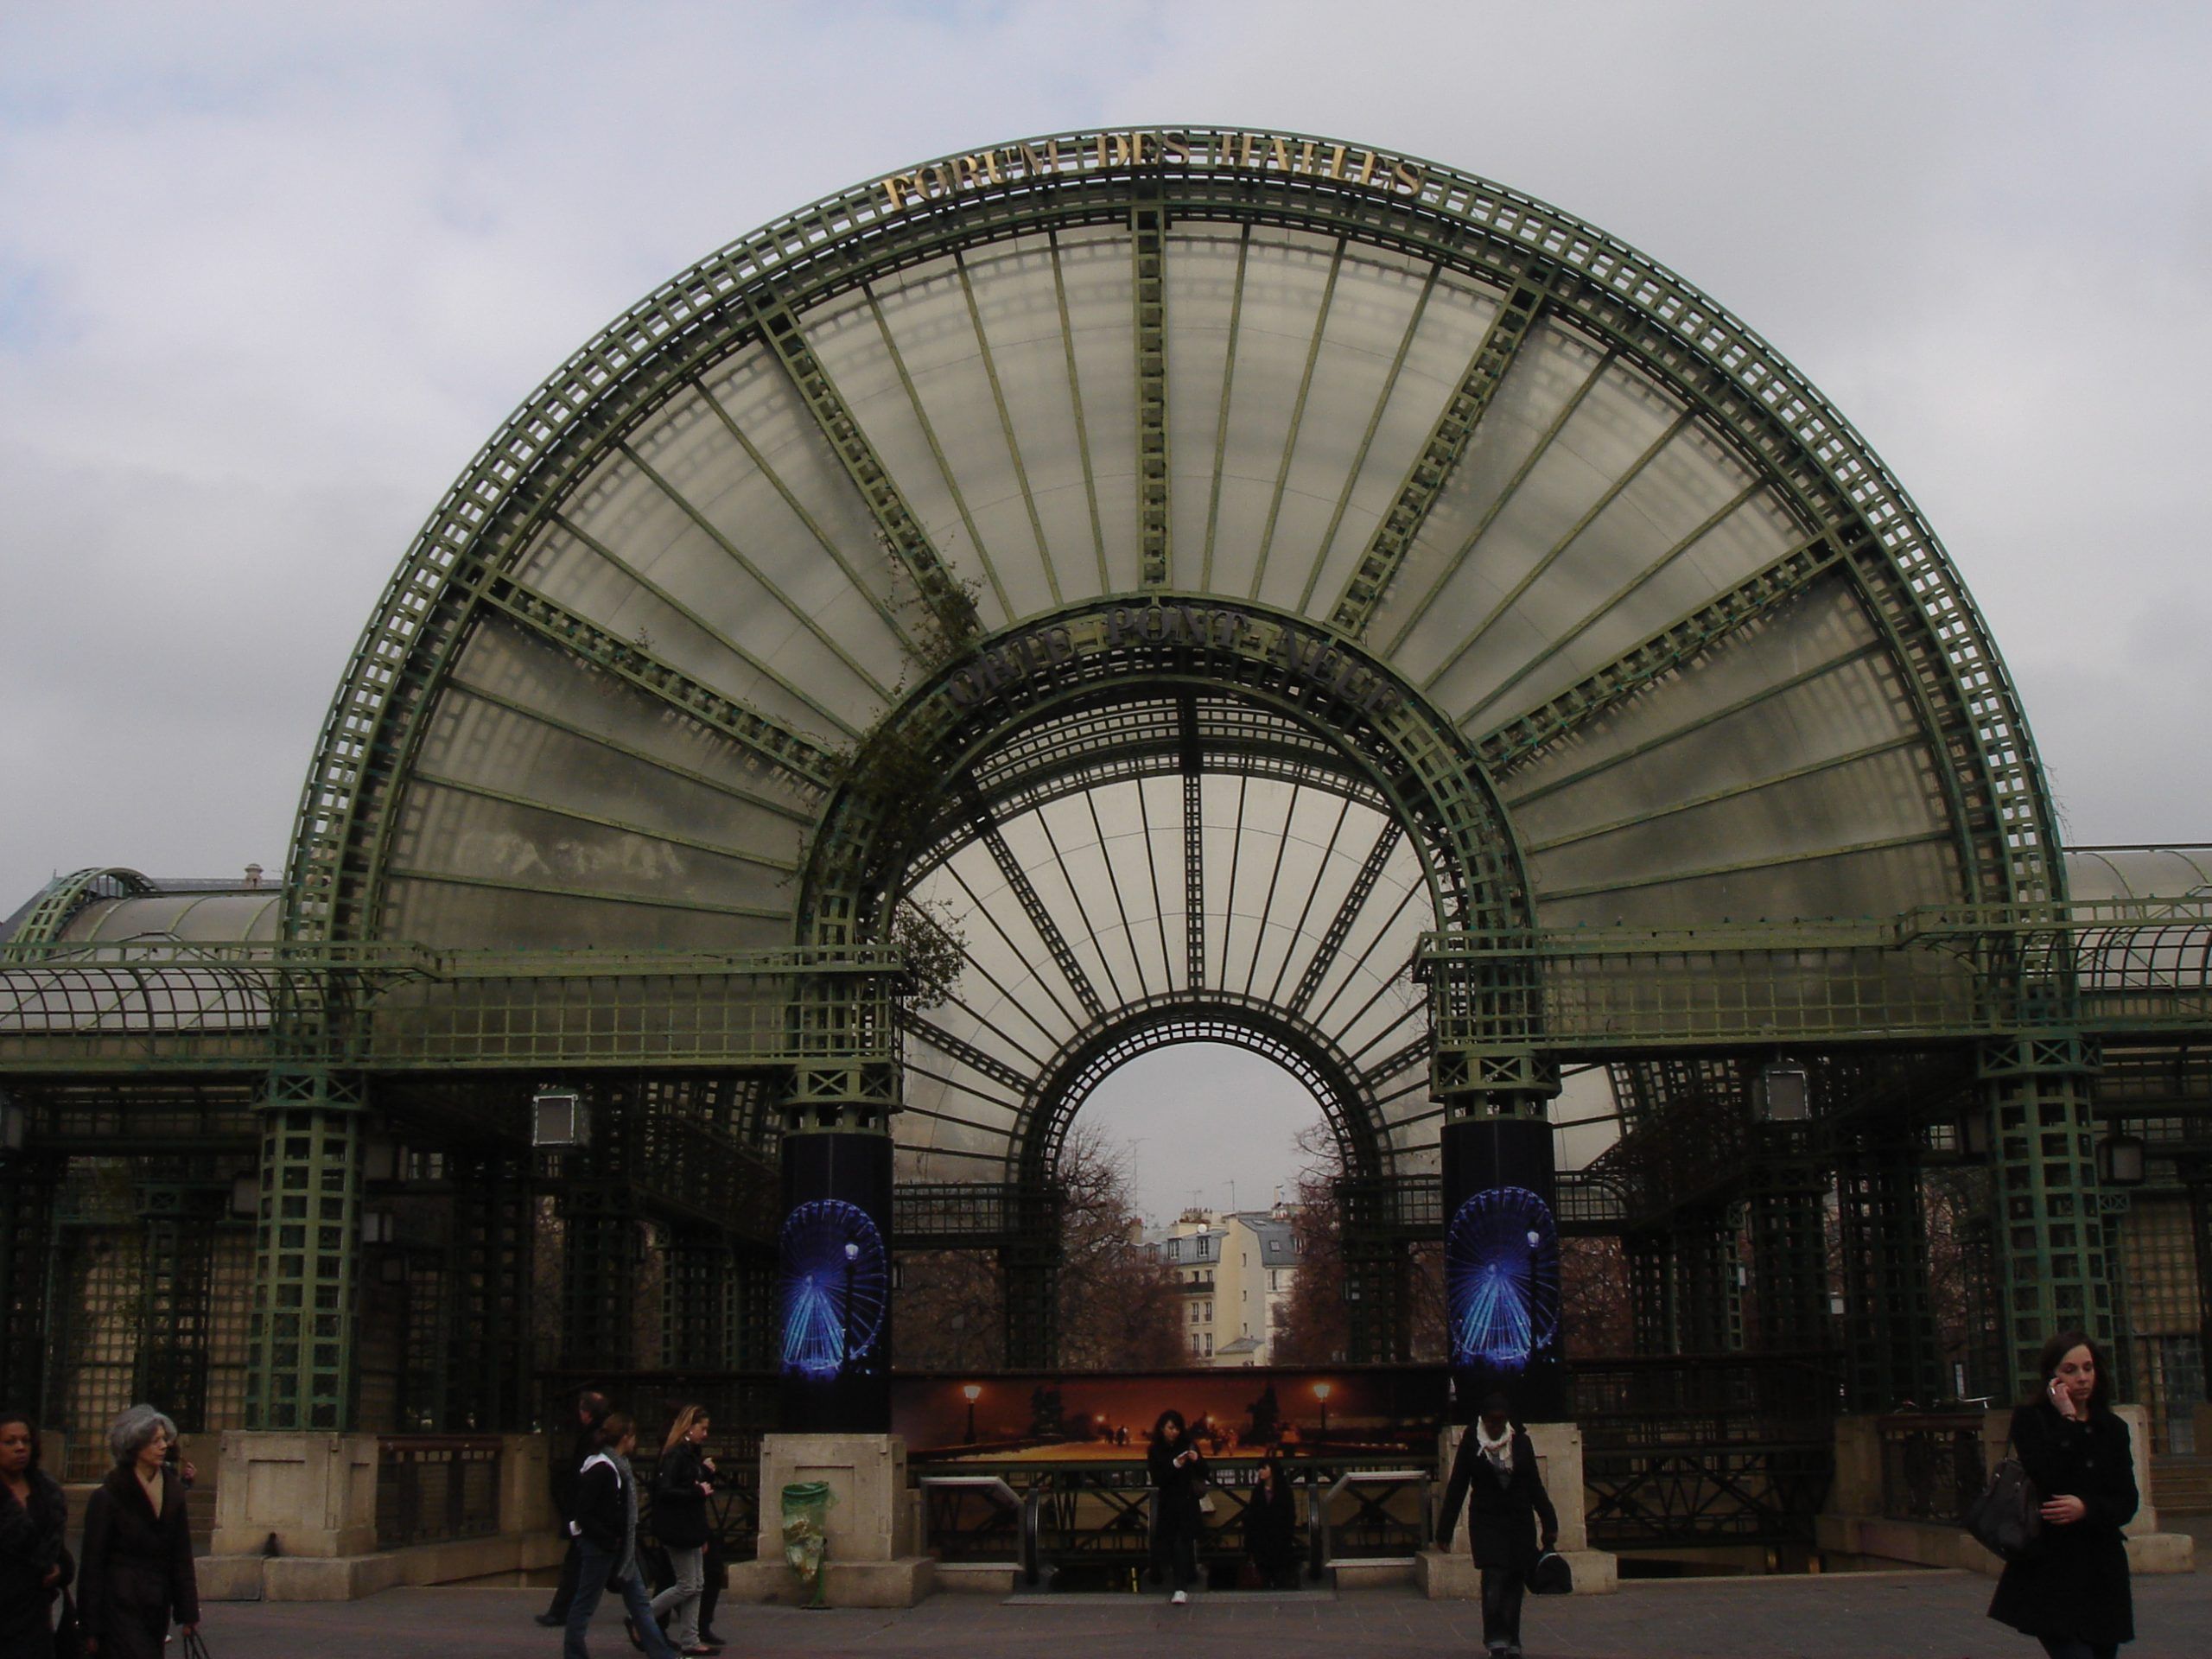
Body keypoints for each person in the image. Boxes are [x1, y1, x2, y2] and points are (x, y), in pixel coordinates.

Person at [1988, 1331, 2138, 1659]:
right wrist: (2068, 1417)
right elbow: (2049, 1477)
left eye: (2088, 1368)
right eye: (2070, 1370)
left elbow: (2126, 1500)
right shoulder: (2032, 1420)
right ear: (2052, 1376)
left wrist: (2087, 1508)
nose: (2082, 1378)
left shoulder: (2112, 1428)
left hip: (2101, 1571)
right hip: (2051, 1569)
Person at [1438, 1392, 1557, 1659]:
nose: (1496, 1427)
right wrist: (1444, 1531)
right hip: (1486, 1520)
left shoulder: (1521, 1442)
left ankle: (1512, 1639)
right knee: (1493, 1577)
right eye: (1491, 1422)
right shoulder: (1471, 1444)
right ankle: (1495, 1638)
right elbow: (1457, 1486)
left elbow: (1534, 1485)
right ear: (1482, 1420)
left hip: (1519, 1520)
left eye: (1501, 1422)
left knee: (1515, 1580)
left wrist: (1550, 1522)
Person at [78, 1404, 200, 1659]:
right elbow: (92, 1564)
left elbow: (181, 1554)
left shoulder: (173, 1491)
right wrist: (89, 1625)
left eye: (164, 1439)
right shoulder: (108, 1496)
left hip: (157, 1602)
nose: (163, 1446)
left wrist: (187, 1613)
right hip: (119, 1601)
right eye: (155, 1440)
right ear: (134, 1446)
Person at [563, 1412, 680, 1659]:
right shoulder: (603, 1468)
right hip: (602, 1546)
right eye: (633, 1436)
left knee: (640, 1605)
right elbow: (584, 1512)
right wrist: (610, 1538)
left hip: (620, 1547)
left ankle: (662, 1654)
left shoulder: (616, 1465)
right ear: (625, 1437)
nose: (635, 1441)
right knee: (586, 1602)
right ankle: (574, 1654)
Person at [1, 1408, 73, 1659]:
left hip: (36, 1615)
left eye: (26, 1440)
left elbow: (58, 1550)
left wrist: (60, 1569)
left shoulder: (46, 1492)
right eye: (10, 1442)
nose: (20, 1447)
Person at [647, 1406, 718, 1656]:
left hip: (689, 1526)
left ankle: (691, 1639)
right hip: (679, 1528)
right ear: (689, 1428)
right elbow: (666, 1491)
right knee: (688, 1584)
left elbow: (692, 1486)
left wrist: (705, 1475)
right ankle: (643, 1616)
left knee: (697, 1584)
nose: (705, 1434)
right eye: (702, 1428)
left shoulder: (688, 1454)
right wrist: (698, 1490)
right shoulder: (676, 1455)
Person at [537, 1389, 611, 1628]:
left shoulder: (591, 1437)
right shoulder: (604, 1433)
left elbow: (582, 1477)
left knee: (577, 1564)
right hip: (599, 1514)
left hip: (588, 1514)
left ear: (586, 1413)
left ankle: (561, 1612)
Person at [1146, 1408, 1208, 1605]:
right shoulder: (1154, 1449)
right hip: (1169, 1505)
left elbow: (1205, 1472)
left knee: (1182, 1542)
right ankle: (1184, 1579)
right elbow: (1158, 1478)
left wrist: (1197, 1461)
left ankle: (1181, 1587)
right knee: (1175, 1543)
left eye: (1177, 1428)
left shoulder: (1189, 1445)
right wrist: (1176, 1464)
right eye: (1171, 1428)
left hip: (1188, 1503)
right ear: (1162, 1428)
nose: (1174, 1432)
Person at [1242, 1448, 1300, 1590]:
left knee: (1280, 1573)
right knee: (1264, 1575)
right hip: (1261, 1540)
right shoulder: (1257, 1491)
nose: (1260, 1472)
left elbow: (1290, 1515)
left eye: (1263, 1468)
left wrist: (1287, 1534)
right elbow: (1252, 1515)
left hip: (1280, 1539)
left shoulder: (1284, 1491)